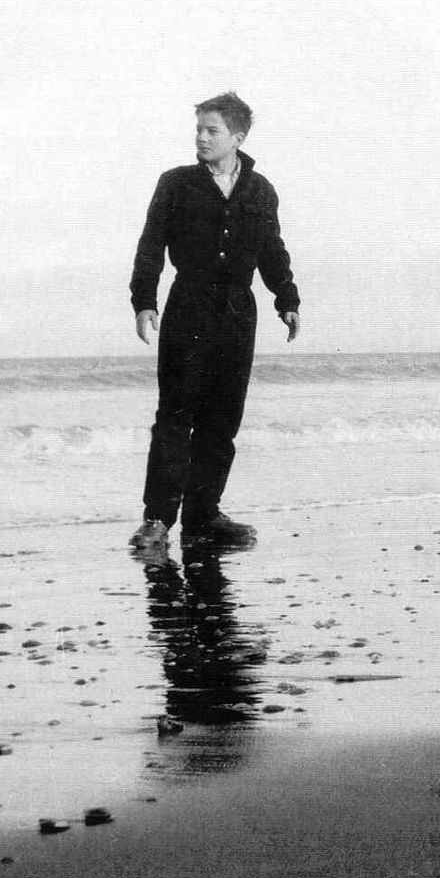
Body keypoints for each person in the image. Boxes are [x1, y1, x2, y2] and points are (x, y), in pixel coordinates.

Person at [128, 92, 300, 552]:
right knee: (175, 417)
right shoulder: (176, 183)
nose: (201, 138)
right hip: (188, 303)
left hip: (238, 311)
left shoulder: (260, 190)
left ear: (237, 137)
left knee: (222, 419)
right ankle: (157, 519)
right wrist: (144, 300)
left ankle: (204, 516)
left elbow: (272, 249)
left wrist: (286, 297)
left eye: (212, 130)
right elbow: (151, 244)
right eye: (199, 130)